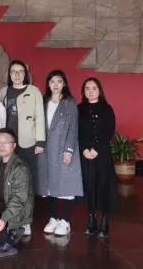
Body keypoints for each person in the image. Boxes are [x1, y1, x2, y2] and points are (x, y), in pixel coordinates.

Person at [0, 59, 45, 235]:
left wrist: (40, 141)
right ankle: (10, 218)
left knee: (26, 184)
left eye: (20, 71)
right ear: (9, 75)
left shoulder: (34, 91)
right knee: (8, 181)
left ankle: (26, 221)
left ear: (25, 74)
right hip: (8, 143)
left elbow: (40, 116)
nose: (17, 75)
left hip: (28, 142)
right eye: (13, 71)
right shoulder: (3, 92)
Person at [36, 70, 83, 236]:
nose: (55, 85)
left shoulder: (69, 103)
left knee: (67, 184)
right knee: (49, 185)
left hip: (63, 148)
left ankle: (65, 221)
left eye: (59, 81)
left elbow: (73, 128)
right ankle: (53, 218)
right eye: (52, 81)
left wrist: (68, 150)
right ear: (48, 84)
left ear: (64, 84)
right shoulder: (43, 102)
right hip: (46, 150)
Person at [78, 77, 116, 238]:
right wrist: (84, 149)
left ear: (99, 90)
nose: (91, 91)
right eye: (87, 88)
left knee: (103, 185)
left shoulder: (107, 109)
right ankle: (91, 218)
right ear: (83, 91)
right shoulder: (79, 109)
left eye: (94, 88)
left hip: (102, 154)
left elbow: (109, 131)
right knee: (89, 185)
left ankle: (105, 219)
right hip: (85, 154)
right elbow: (76, 132)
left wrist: (97, 149)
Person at [0, 128, 34, 258]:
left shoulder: (20, 168)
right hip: (3, 203)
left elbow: (20, 198)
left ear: (13, 145)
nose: (1, 146)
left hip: (18, 209)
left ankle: (8, 244)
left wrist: (4, 218)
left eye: (6, 142)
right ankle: (12, 232)